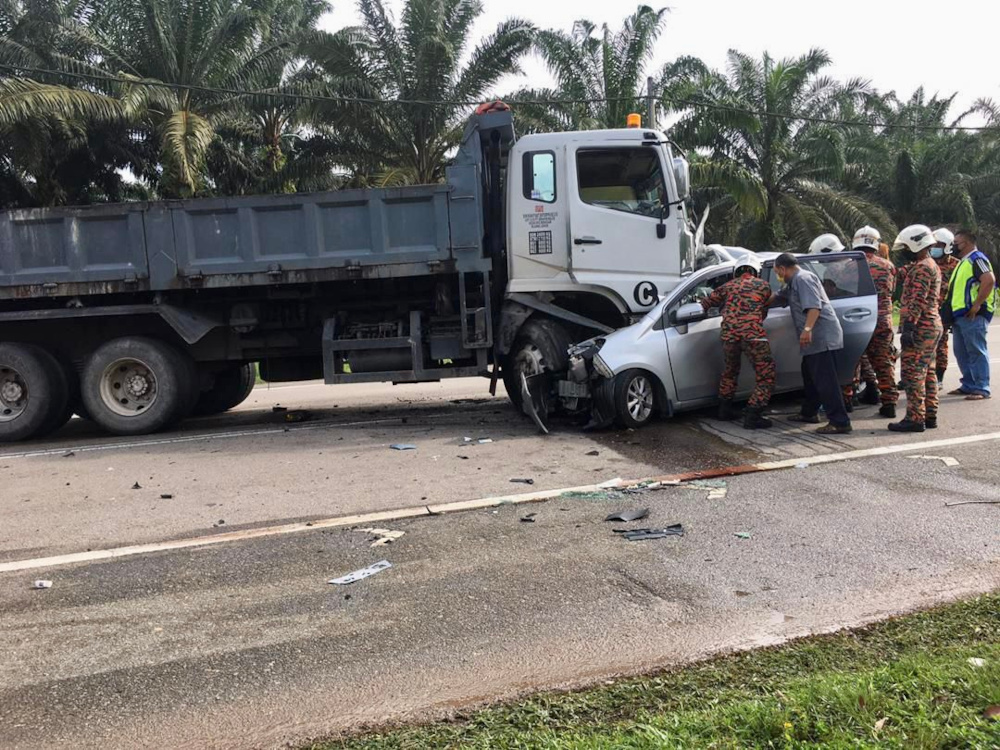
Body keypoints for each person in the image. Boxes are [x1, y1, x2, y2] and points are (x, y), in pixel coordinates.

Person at [772, 252, 852, 434]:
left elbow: (814, 307)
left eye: (778, 272)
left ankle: (840, 421)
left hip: (822, 337)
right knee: (810, 376)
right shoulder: (792, 283)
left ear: (783, 269)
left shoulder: (803, 279)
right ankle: (809, 412)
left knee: (826, 381)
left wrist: (807, 330)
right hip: (813, 341)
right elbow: (778, 297)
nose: (778, 276)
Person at [700, 257, 776, 429]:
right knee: (766, 376)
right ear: (755, 270)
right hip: (753, 336)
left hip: (729, 336)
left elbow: (705, 303)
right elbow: (764, 310)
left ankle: (724, 410)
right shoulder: (763, 285)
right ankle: (753, 414)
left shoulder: (727, 286)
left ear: (737, 271)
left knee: (730, 372)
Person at [891, 225, 943, 432]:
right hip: (931, 324)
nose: (904, 250)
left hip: (921, 326)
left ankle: (915, 418)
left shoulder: (922, 268)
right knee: (928, 372)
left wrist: (909, 327)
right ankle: (930, 415)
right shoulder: (929, 264)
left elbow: (916, 300)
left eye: (906, 246)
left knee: (913, 374)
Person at [850, 226, 899, 417]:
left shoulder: (847, 265)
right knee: (884, 363)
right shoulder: (888, 266)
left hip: (855, 320)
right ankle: (889, 403)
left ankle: (848, 400)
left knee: (852, 362)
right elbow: (891, 292)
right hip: (881, 320)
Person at [946, 229, 995, 400]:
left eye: (956, 243)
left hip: (973, 314)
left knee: (976, 351)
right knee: (961, 352)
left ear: (965, 244)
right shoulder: (963, 262)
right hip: (961, 315)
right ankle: (968, 384)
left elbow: (989, 280)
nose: (953, 247)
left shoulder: (977, 259)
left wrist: (977, 305)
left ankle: (982, 387)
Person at [931, 228, 959, 385]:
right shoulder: (927, 264)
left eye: (939, 245)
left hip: (945, 311)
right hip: (928, 310)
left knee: (941, 345)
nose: (935, 248)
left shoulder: (956, 265)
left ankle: (939, 376)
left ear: (947, 246)